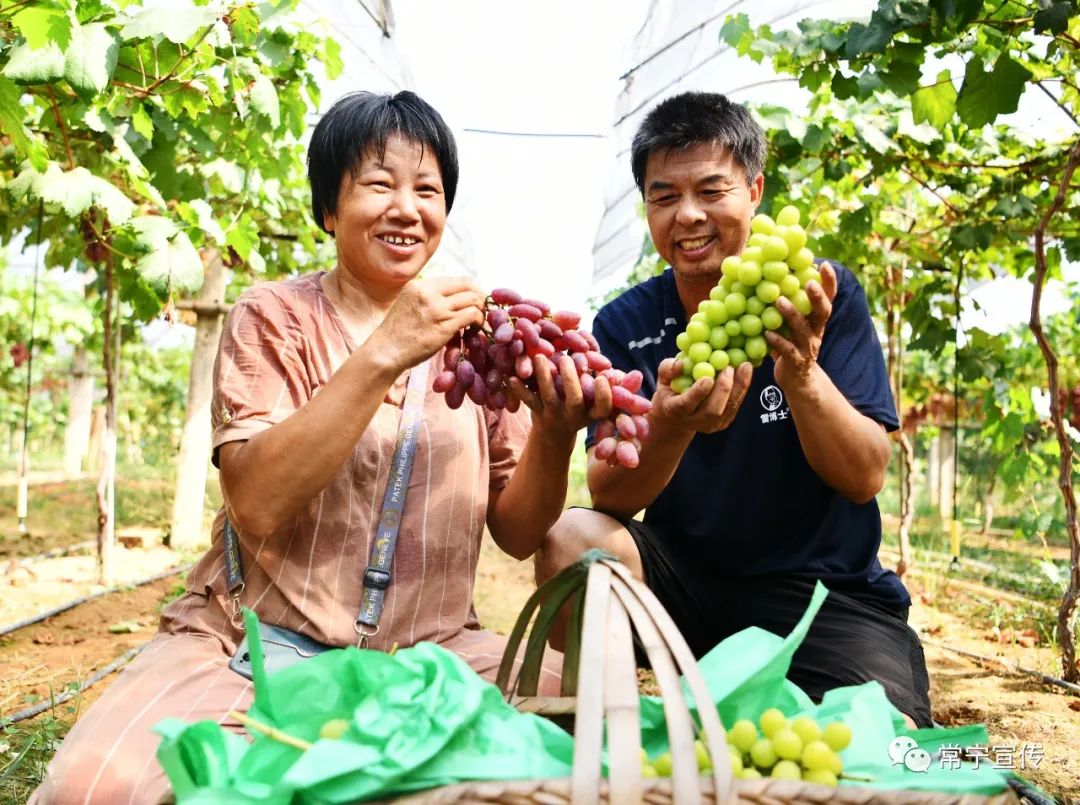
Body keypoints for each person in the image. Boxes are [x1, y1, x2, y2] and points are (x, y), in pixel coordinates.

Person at [33, 90, 609, 805]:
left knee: (588, 745)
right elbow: (257, 502)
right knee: (97, 787)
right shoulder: (273, 317)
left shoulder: (475, 337)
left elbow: (519, 533)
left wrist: (554, 437)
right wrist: (387, 350)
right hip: (257, 647)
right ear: (329, 209)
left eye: (427, 189)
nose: (407, 207)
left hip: (430, 654)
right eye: (378, 183)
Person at [535, 91, 932, 728]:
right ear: (646, 208)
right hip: (685, 590)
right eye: (664, 198)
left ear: (754, 190)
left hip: (825, 597)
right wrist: (669, 425)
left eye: (711, 191)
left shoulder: (818, 297)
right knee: (574, 539)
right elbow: (609, 495)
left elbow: (865, 476)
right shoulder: (624, 325)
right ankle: (609, 747)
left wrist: (801, 376)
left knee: (879, 747)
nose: (687, 216)